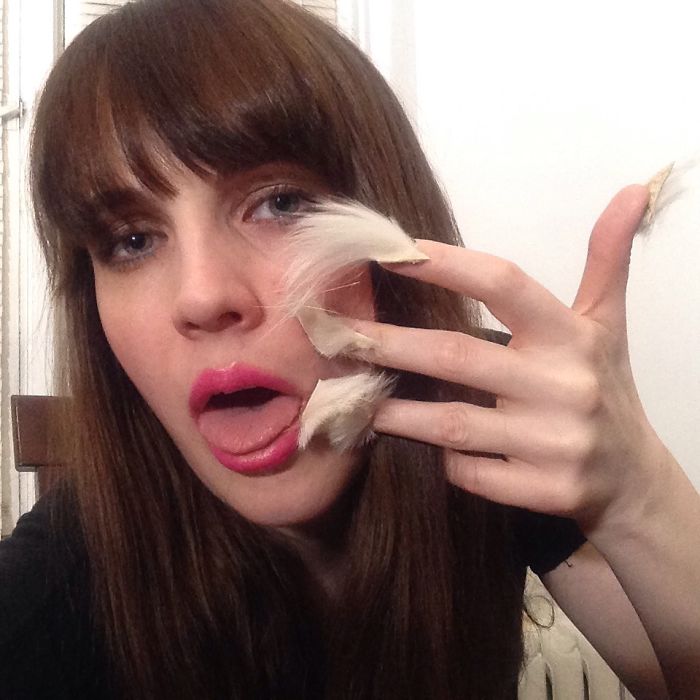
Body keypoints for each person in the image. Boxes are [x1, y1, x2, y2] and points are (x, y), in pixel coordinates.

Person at [1, 0, 698, 698]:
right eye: (131, 240)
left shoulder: (485, 415)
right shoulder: (50, 592)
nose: (202, 295)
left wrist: (638, 495)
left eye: (280, 204)